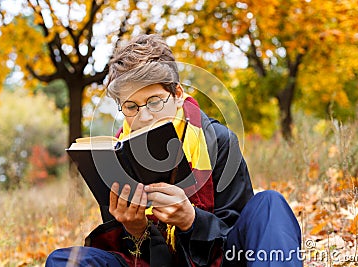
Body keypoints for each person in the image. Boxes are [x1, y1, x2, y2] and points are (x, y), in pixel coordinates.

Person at [46, 34, 302, 266]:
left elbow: (238, 236)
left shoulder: (219, 140)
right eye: (131, 106)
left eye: (154, 101)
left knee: (270, 204)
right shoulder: (115, 156)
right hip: (152, 262)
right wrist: (136, 230)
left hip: (217, 261)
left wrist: (191, 219)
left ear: (177, 94)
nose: (144, 116)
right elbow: (134, 256)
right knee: (63, 261)